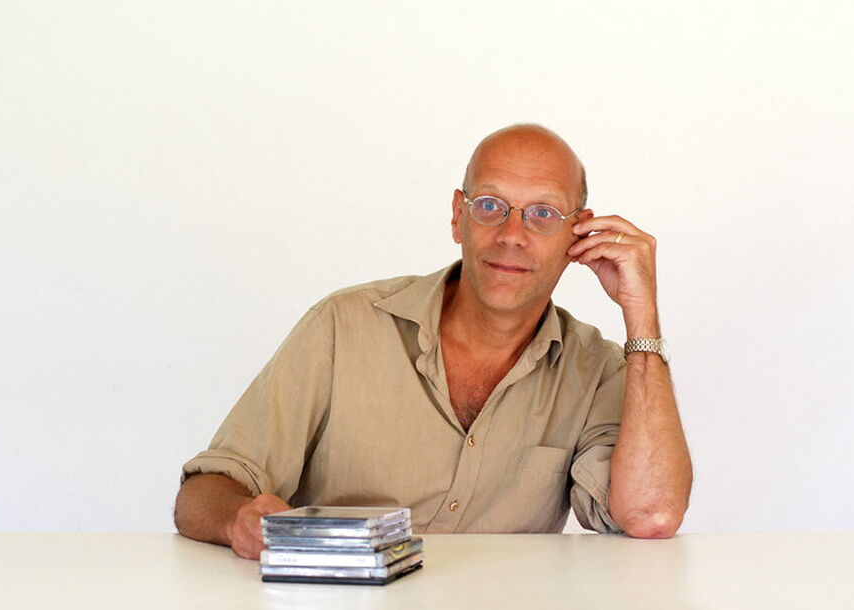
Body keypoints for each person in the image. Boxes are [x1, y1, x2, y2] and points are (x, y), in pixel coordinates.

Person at [174, 124, 693, 559]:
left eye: (542, 214)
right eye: (491, 205)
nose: (512, 234)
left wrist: (640, 316)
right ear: (456, 215)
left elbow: (651, 514)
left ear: (577, 235)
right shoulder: (343, 325)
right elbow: (203, 493)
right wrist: (238, 520)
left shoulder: (596, 368)